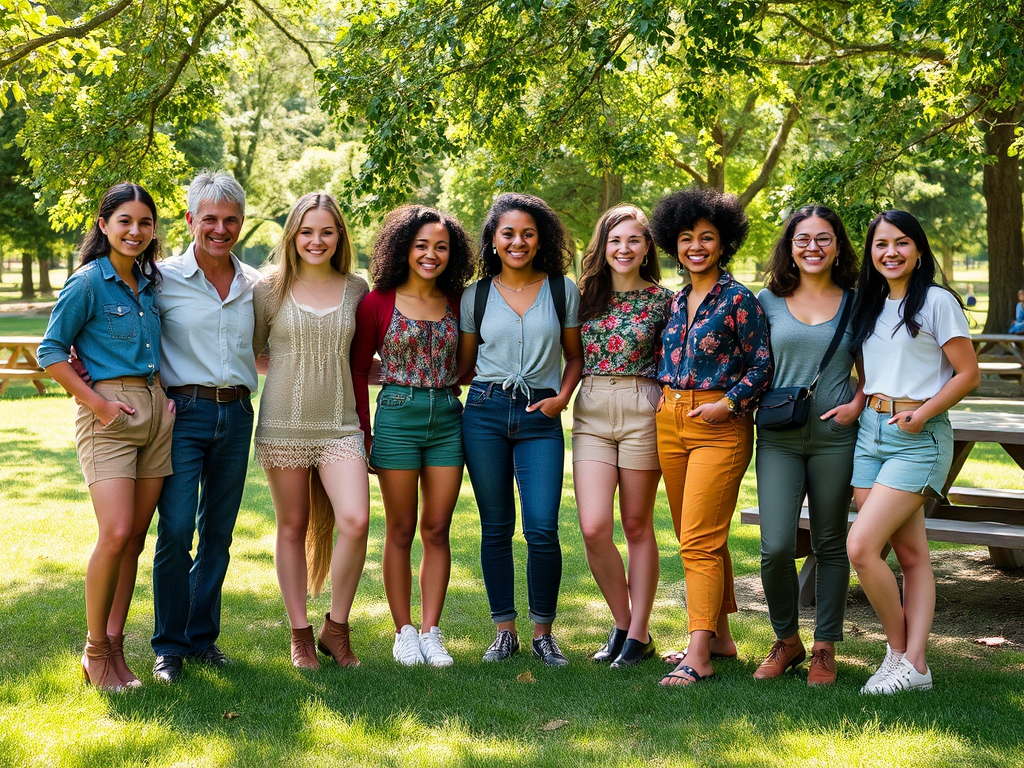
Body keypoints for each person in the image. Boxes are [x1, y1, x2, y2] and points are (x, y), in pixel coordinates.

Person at [38, 183, 174, 690]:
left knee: (134, 541)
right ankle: (94, 652)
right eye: (124, 221)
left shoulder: (148, 283)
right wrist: (97, 404)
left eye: (144, 223)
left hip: (156, 412)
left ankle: (116, 651)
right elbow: (50, 350)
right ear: (104, 225)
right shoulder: (87, 283)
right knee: (115, 534)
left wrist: (163, 399)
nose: (135, 231)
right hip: (109, 419)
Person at [847, 210, 979, 694]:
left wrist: (922, 413)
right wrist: (858, 404)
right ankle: (909, 661)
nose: (891, 253)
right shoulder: (872, 302)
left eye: (902, 243)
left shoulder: (938, 302)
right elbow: (870, 372)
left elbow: (968, 373)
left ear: (919, 249)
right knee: (910, 554)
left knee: (861, 546)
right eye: (881, 245)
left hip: (917, 436)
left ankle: (905, 656)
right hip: (869, 434)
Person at [652, 187, 772, 687]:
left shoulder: (740, 298)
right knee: (697, 536)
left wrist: (728, 404)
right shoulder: (676, 299)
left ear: (724, 244)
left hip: (719, 425)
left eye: (707, 238)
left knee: (698, 541)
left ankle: (697, 653)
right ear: (673, 244)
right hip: (669, 422)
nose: (696, 246)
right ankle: (719, 635)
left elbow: (763, 364)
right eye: (686, 238)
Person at [457, 192, 583, 667]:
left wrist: (561, 398)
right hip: (486, 412)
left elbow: (574, 356)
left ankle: (544, 634)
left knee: (543, 528)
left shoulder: (560, 289)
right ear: (492, 240)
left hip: (540, 416)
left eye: (527, 233)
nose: (518, 241)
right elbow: (465, 366)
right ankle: (504, 631)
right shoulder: (477, 295)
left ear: (540, 238)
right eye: (508, 233)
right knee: (496, 528)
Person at [351, 205, 476, 667]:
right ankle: (403, 631)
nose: (430, 254)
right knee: (401, 528)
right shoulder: (378, 301)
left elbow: (466, 364)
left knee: (437, 529)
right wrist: (364, 432)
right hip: (397, 418)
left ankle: (431, 631)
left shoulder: (458, 301)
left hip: (447, 415)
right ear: (404, 248)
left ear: (452, 253)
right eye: (421, 245)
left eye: (440, 246)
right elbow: (359, 369)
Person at [151, 171, 261, 684]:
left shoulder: (256, 285)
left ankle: (201, 639)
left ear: (240, 222)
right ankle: (168, 647)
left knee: (217, 533)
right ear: (191, 219)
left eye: (230, 220)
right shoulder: (161, 278)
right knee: (175, 530)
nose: (220, 229)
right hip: (182, 414)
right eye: (210, 219)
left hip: (237, 415)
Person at [252, 192, 370, 669]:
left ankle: (336, 629)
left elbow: (362, 359)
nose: (316, 240)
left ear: (339, 235)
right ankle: (300, 634)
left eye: (326, 231)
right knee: (293, 525)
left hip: (341, 425)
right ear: (292, 235)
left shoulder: (357, 289)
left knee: (356, 521)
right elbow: (254, 352)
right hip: (283, 424)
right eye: (306, 231)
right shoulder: (268, 289)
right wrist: (289, 369)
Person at [753, 205, 863, 686]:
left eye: (823, 238)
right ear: (789, 246)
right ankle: (786, 640)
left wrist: (859, 403)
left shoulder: (859, 302)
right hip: (778, 435)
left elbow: (873, 369)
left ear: (838, 245)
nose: (813, 247)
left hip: (835, 437)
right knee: (776, 545)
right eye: (802, 239)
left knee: (830, 543)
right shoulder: (768, 300)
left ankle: (824, 646)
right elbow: (752, 365)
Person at [572, 205, 672, 667]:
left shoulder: (665, 300)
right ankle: (622, 622)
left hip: (642, 410)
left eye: (634, 240)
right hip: (591, 409)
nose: (624, 249)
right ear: (603, 246)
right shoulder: (582, 297)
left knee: (636, 525)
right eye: (615, 240)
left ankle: (637, 634)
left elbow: (676, 359)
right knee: (594, 527)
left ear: (647, 246)